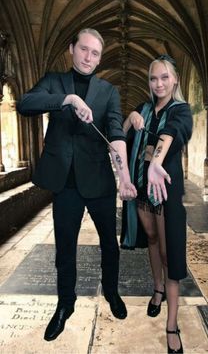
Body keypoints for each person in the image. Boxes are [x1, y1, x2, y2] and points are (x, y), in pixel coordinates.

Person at [17, 28, 137, 341]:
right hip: (65, 184)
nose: (88, 57)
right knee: (65, 250)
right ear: (72, 49)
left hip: (98, 181)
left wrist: (124, 177)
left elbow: (116, 133)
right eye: (84, 49)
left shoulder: (108, 91)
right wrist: (67, 100)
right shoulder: (54, 81)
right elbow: (25, 103)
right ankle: (65, 305)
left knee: (110, 244)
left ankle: (111, 292)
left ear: (100, 57)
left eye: (95, 53)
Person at [121, 55, 193, 353]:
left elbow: (171, 133)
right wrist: (130, 119)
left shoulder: (181, 110)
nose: (159, 83)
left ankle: (172, 325)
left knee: (169, 253)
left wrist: (156, 163)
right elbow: (121, 134)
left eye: (164, 77)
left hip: (165, 191)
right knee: (150, 238)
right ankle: (157, 288)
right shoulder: (144, 108)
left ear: (174, 79)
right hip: (141, 189)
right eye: (153, 78)